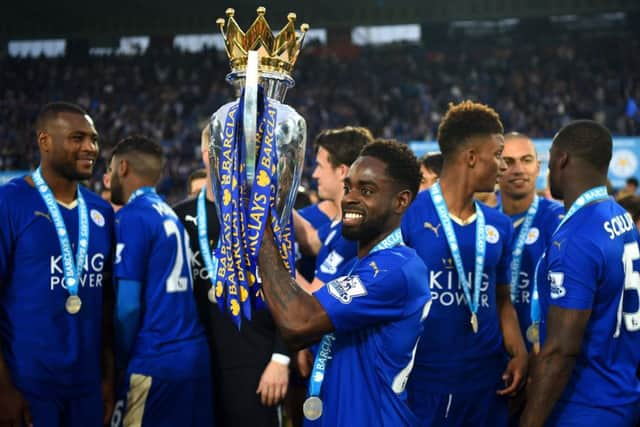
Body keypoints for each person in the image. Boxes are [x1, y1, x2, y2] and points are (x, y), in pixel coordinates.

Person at [258, 140, 431, 425]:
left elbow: (298, 323)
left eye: (367, 190)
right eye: (349, 187)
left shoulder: (396, 269)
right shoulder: (357, 266)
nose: (350, 197)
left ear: (401, 201)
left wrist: (260, 229)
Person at [402, 101, 528, 427]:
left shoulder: (499, 226)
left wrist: (519, 353)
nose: (502, 165)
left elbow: (501, 299)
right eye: (498, 154)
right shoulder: (408, 216)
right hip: (425, 380)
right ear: (472, 157)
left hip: (487, 380)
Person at [0, 101, 115, 426]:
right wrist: (3, 388)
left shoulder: (101, 212)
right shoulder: (10, 202)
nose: (90, 148)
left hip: (87, 386)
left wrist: (106, 375)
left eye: (93, 139)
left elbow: (105, 300)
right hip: (28, 385)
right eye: (77, 138)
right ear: (45, 141)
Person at [520, 120, 640, 427]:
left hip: (583, 405)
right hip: (621, 391)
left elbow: (561, 350)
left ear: (561, 160)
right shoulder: (618, 216)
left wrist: (529, 421)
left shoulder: (576, 236)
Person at [173, 128, 290, 427]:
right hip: (198, 357)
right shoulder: (177, 218)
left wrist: (280, 357)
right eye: (221, 149)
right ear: (205, 153)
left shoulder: (261, 217)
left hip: (254, 359)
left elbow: (286, 292)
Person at [108, 135, 212, 426]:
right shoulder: (168, 213)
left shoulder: (132, 216)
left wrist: (120, 359)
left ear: (124, 167)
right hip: (194, 355)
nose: (107, 178)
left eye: (111, 169)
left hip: (154, 358)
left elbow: (127, 308)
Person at [497, 132, 564, 353]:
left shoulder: (559, 220)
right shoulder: (482, 220)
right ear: (496, 167)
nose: (518, 169)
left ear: (538, 166)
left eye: (526, 160)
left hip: (541, 352)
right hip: (490, 355)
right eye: (508, 161)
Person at [293, 126, 373, 291]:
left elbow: (314, 302)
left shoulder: (354, 233)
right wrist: (274, 200)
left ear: (342, 171)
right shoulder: (342, 223)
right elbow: (312, 240)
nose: (315, 174)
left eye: (320, 166)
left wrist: (271, 259)